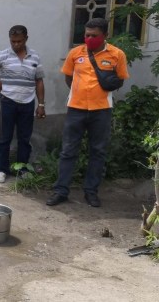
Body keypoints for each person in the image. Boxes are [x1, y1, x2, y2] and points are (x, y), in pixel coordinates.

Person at [47, 18, 129, 208]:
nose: (89, 39)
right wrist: (80, 92)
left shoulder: (117, 55)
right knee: (68, 151)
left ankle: (91, 192)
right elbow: (69, 77)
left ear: (105, 36)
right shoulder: (76, 53)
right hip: (76, 109)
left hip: (102, 111)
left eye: (94, 35)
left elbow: (120, 80)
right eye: (86, 35)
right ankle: (61, 191)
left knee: (98, 152)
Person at [0, 25, 46, 183]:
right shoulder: (3, 55)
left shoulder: (34, 57)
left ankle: (22, 168)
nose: (16, 44)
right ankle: (2, 170)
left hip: (28, 103)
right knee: (4, 137)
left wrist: (41, 104)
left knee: (24, 138)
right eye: (13, 41)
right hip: (7, 101)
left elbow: (39, 81)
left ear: (26, 39)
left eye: (19, 41)